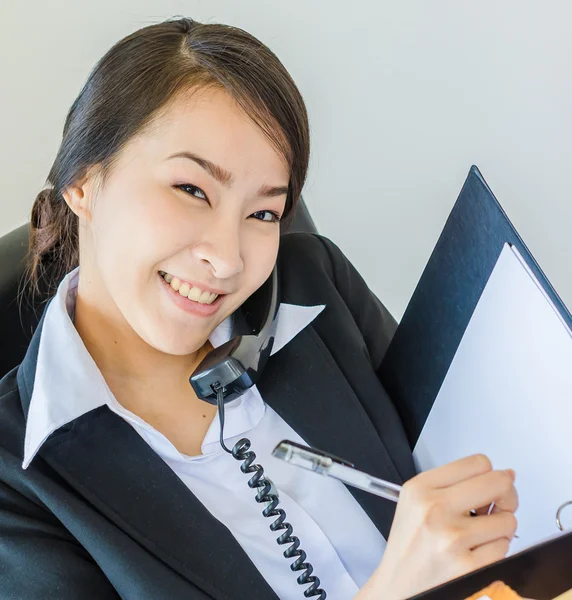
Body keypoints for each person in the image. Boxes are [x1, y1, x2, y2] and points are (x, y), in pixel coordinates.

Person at [0, 16, 518, 600]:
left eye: (264, 213)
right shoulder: (16, 486)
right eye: (192, 190)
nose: (226, 258)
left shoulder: (313, 285)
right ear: (84, 182)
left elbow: (460, 441)